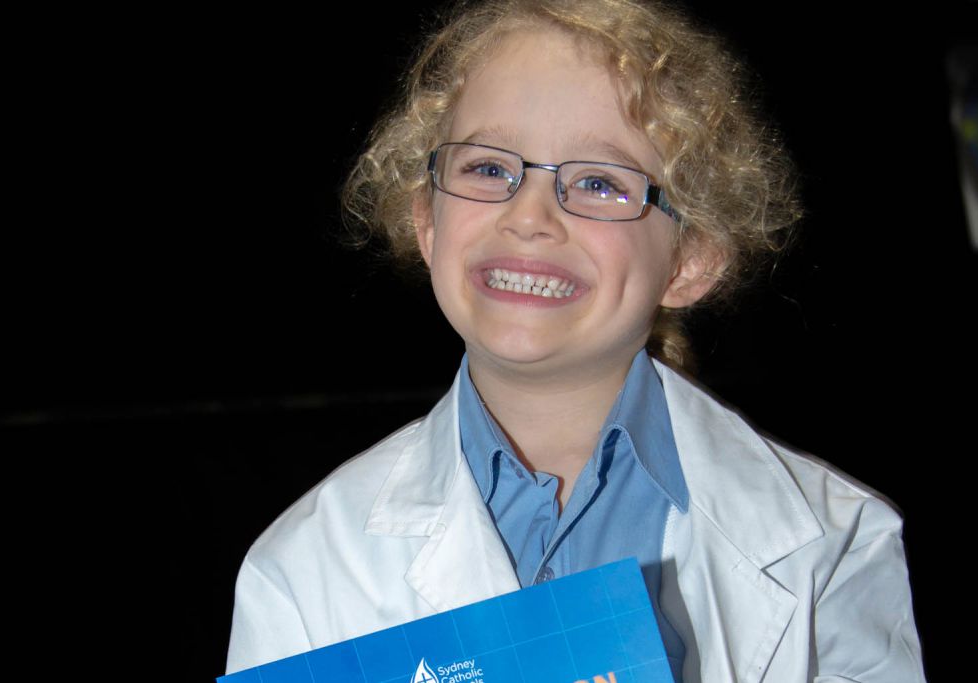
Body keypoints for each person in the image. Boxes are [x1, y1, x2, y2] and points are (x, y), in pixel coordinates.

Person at [226, 1, 926, 681]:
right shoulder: (301, 566)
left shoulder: (839, 545)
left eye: (598, 182)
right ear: (427, 222)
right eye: (489, 169)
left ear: (691, 259)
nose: (529, 216)